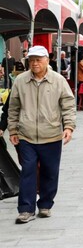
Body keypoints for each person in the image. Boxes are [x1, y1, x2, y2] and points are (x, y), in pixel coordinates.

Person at [7, 45, 76, 224]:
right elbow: (13, 107)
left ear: (47, 60)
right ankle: (26, 209)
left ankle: (45, 205)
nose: (34, 63)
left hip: (51, 134)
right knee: (28, 171)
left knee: (49, 172)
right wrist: (13, 129)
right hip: (26, 135)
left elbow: (68, 105)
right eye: (31, 60)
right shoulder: (20, 81)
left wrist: (69, 126)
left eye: (38, 59)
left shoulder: (58, 81)